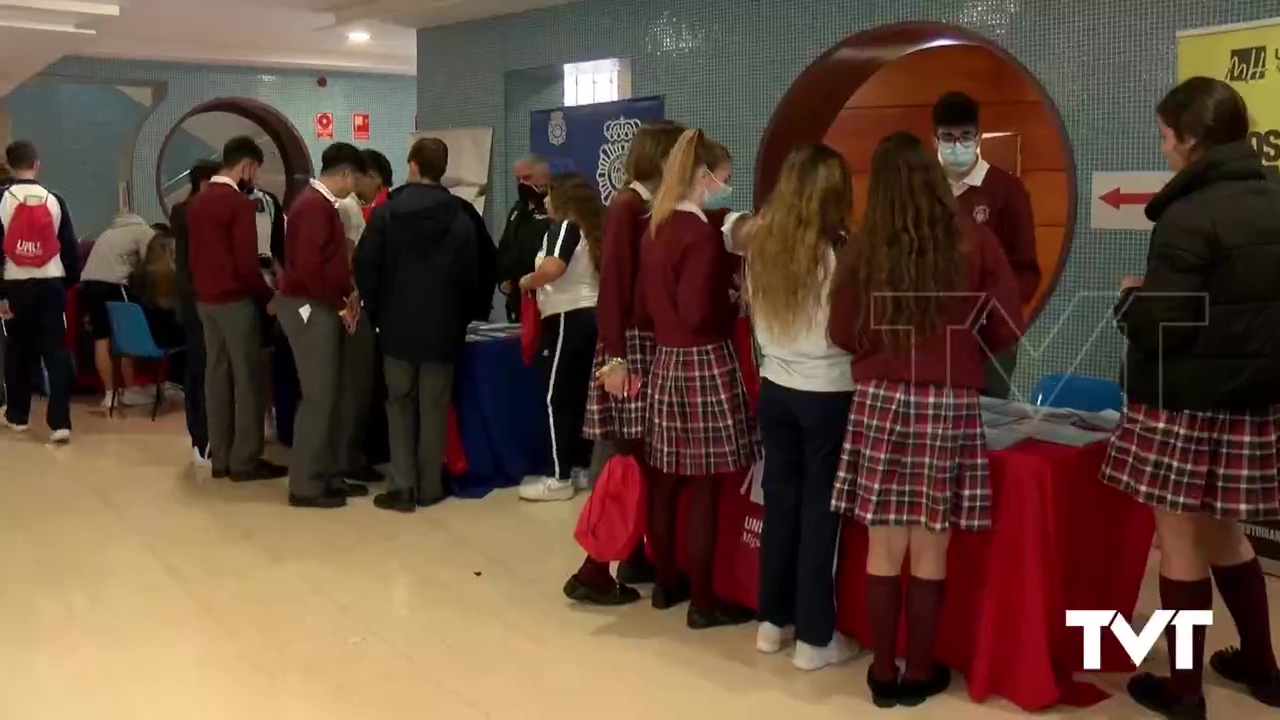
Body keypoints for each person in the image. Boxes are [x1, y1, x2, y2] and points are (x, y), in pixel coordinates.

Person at [1103, 77, 1280, 719]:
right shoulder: (1275, 200)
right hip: (1252, 399)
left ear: (1193, 140)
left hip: (1180, 401)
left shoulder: (1187, 213)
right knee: (1228, 533)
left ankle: (1183, 692)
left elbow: (1165, 322)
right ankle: (1262, 663)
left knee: (1178, 545)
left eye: (1166, 136)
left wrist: (1131, 295)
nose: (1163, 146)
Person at [826, 131, 1021, 707]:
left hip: (879, 398)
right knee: (931, 548)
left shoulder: (863, 248)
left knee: (883, 548)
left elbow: (840, 331)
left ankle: (883, 671)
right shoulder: (974, 240)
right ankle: (920, 671)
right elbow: (1006, 325)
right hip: (948, 400)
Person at [730, 144, 861, 670]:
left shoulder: (763, 246)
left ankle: (771, 621)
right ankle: (814, 637)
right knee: (819, 516)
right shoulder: (841, 251)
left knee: (780, 505)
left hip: (776, 388)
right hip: (828, 392)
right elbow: (851, 331)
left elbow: (732, 226)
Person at [638, 129, 757, 629]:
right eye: (723, 180)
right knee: (706, 487)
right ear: (702, 177)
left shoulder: (656, 226)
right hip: (703, 362)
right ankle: (704, 600)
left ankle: (667, 581)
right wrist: (732, 305)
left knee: (665, 482)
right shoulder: (700, 236)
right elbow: (695, 311)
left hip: (666, 360)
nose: (724, 189)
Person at [563, 120, 685, 605]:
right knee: (629, 463)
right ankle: (595, 566)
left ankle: (634, 552)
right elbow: (613, 287)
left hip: (635, 345)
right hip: (629, 348)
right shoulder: (627, 206)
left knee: (639, 459)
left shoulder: (644, 206)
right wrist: (615, 356)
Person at [355, 137, 479, 513]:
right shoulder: (461, 215)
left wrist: (376, 311)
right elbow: (473, 274)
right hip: (443, 328)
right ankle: (430, 485)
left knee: (399, 404)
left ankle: (404, 485)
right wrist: (461, 316)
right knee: (435, 406)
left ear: (412, 165)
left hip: (396, 325)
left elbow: (366, 266)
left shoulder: (387, 213)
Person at [187, 136, 287, 482]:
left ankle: (221, 457)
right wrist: (267, 298)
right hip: (234, 301)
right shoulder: (238, 204)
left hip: (205, 302)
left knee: (216, 377)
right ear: (245, 166)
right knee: (248, 380)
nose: (255, 179)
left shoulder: (197, 203)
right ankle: (246, 460)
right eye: (256, 170)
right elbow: (246, 265)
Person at [275, 142, 368, 509]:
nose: (354, 189)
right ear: (345, 173)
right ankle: (306, 484)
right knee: (318, 398)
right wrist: (338, 304)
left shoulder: (318, 205)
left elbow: (330, 264)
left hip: (321, 304)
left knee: (330, 395)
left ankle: (327, 473)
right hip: (311, 309)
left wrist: (347, 292)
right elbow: (309, 269)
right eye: (355, 180)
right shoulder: (313, 208)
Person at [932, 91, 1039, 399]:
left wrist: (992, 313)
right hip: (934, 336)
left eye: (965, 136)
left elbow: (1025, 270)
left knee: (987, 423)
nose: (957, 145)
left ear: (978, 137)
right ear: (935, 139)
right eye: (948, 137)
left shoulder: (1006, 189)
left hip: (989, 337)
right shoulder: (925, 188)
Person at [515, 174, 602, 501]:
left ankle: (559, 477)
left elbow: (553, 268)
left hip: (567, 316)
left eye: (549, 194)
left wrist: (527, 280)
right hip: (590, 317)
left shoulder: (565, 228)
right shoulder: (593, 232)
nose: (545, 201)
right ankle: (578, 467)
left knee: (556, 398)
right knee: (578, 397)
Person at [0, 140, 79, 444]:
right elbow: (70, 249)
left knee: (18, 351)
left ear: (8, 165)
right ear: (37, 164)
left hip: (15, 285)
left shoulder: (2, 200)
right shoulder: (54, 199)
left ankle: (18, 416)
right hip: (50, 285)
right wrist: (66, 281)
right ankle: (60, 423)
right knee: (56, 352)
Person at [79, 210, 158, 409]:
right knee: (126, 336)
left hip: (88, 284)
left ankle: (109, 395)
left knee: (101, 338)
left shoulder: (108, 232)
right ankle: (130, 391)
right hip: (114, 284)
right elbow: (153, 264)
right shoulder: (144, 231)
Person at [173, 158, 219, 466]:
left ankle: (200, 438)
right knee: (203, 370)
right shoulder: (198, 213)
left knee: (197, 369)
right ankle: (204, 438)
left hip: (186, 300)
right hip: (200, 299)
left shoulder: (181, 211)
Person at [496, 154, 552, 321]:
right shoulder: (517, 210)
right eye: (518, 179)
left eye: (527, 178)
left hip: (545, 299)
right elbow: (505, 245)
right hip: (518, 300)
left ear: (545, 177)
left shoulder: (556, 210)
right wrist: (502, 278)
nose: (522, 184)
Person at [129, 230, 184, 351]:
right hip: (167, 335)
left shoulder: (137, 274)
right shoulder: (168, 276)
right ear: (169, 252)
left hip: (143, 335)